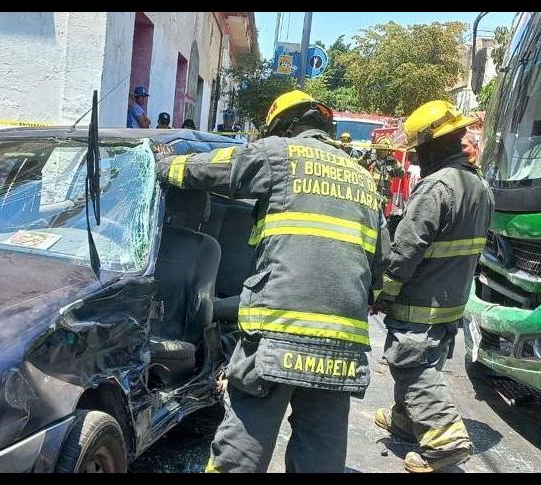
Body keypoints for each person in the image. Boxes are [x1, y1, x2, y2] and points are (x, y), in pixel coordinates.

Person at [156, 89, 389, 473]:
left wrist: (164, 165)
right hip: (342, 345)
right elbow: (382, 269)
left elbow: (212, 169)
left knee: (243, 448)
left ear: (283, 127)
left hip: (279, 332)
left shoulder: (278, 153)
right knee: (321, 451)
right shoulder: (364, 180)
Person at [371, 100, 493, 473]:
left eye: (420, 150)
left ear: (435, 146)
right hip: (451, 300)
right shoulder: (479, 186)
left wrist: (382, 292)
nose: (417, 158)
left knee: (410, 363)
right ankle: (408, 421)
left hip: (421, 300)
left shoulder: (437, 187)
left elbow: (406, 249)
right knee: (427, 360)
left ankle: (445, 441)